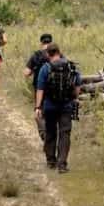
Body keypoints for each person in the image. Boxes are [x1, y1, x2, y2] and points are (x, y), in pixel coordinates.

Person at [35, 43, 80, 173]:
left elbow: (40, 89)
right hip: (66, 105)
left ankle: (51, 161)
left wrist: (38, 107)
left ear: (48, 54)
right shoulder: (71, 67)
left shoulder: (45, 68)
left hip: (49, 106)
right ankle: (62, 164)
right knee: (65, 133)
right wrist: (75, 98)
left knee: (50, 132)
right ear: (59, 52)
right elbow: (77, 84)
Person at [24, 33, 53, 139]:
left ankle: (44, 133)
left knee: (38, 112)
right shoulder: (58, 54)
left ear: (41, 42)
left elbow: (26, 73)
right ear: (51, 42)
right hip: (56, 89)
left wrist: (34, 70)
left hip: (39, 88)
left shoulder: (36, 55)